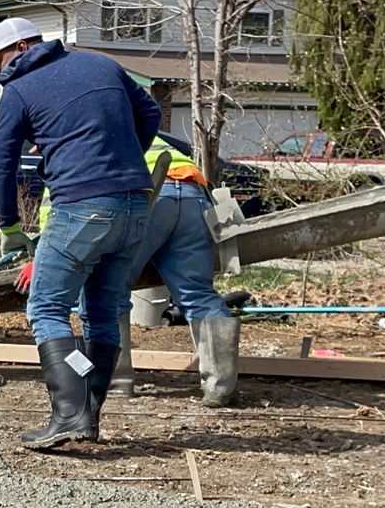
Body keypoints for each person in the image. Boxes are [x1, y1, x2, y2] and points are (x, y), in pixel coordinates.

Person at [0, 17, 160, 449]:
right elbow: (151, 111)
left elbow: (1, 165)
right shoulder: (102, 65)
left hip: (82, 205)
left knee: (45, 307)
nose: (0, 72)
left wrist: (8, 225)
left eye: (0, 60)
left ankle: (69, 415)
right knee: (103, 311)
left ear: (21, 47)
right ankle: (87, 415)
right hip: (136, 203)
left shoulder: (19, 90)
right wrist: (118, 156)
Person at [28, 136, 240, 407]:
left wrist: (41, 255)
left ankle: (116, 383)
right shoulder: (129, 130)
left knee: (108, 290)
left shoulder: (68, 149)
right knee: (198, 293)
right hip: (194, 195)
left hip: (148, 193)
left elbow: (57, 210)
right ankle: (220, 387)